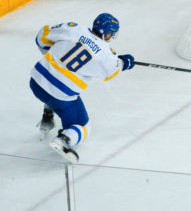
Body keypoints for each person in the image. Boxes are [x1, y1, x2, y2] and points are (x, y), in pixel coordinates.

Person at [29, 13, 135, 163]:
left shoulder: (74, 28)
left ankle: (47, 117)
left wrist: (53, 53)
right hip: (60, 96)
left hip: (36, 81)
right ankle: (64, 140)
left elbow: (41, 37)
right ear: (108, 34)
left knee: (50, 88)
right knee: (82, 126)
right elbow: (111, 71)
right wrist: (125, 63)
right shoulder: (106, 54)